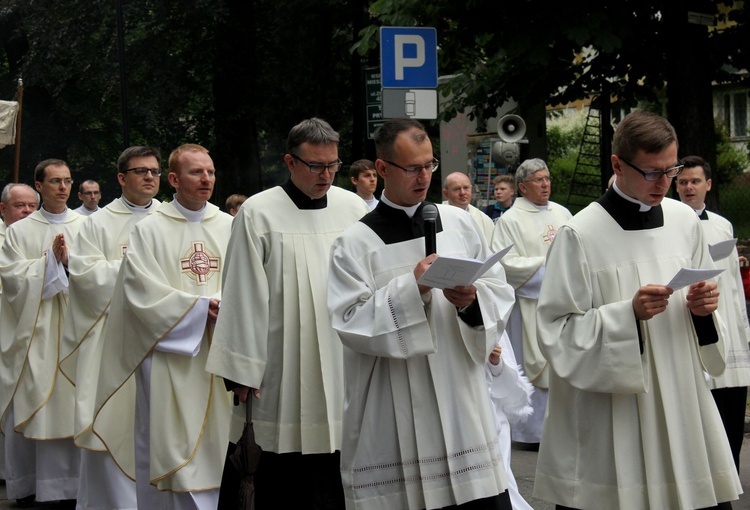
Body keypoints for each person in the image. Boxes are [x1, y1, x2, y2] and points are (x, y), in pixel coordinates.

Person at [534, 110, 741, 509]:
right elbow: (555, 332)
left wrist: (702, 309)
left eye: (672, 170)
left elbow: (700, 298)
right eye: (651, 172)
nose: (665, 183)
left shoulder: (684, 221)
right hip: (616, 409)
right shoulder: (580, 234)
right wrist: (626, 315)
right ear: (617, 164)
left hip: (681, 394)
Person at [327, 118, 516, 509]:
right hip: (394, 406)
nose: (424, 176)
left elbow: (497, 287)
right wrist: (414, 290)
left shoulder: (461, 224)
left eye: (429, 165)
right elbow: (349, 322)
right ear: (382, 169)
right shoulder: (355, 243)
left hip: (461, 400)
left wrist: (471, 304)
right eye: (412, 168)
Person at [206, 118, 369, 509]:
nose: (326, 175)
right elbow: (243, 293)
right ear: (290, 161)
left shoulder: (354, 208)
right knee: (283, 465)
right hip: (282, 363)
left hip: (344, 355)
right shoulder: (258, 213)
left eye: (332, 165)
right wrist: (241, 370)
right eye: (315, 165)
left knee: (346, 453)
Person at [93, 144, 233, 509]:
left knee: (223, 444)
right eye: (196, 173)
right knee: (168, 441)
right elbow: (140, 292)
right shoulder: (149, 230)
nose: (207, 179)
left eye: (211, 172)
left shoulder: (231, 225)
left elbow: (249, 280)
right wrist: (199, 308)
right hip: (169, 354)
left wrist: (227, 308)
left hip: (221, 350)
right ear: (174, 179)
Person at [60, 146, 162, 510]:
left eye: (154, 171)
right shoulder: (97, 224)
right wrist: (139, 277)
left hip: (164, 339)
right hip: (113, 341)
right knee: (112, 421)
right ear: (121, 178)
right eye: (140, 171)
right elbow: (85, 277)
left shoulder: (171, 218)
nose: (150, 177)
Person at [0, 159, 86, 507]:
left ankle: (78, 487)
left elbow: (102, 275)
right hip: (34, 336)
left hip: (78, 332)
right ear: (39, 186)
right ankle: (33, 486)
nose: (63, 187)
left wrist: (68, 264)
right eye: (55, 181)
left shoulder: (88, 225)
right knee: (36, 403)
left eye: (67, 181)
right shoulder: (19, 231)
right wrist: (49, 262)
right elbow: (11, 280)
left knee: (77, 407)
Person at [489, 158, 572, 448]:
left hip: (564, 306)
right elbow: (506, 264)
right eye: (538, 180)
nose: (545, 184)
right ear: (523, 187)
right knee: (535, 365)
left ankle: (564, 428)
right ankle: (532, 434)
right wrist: (551, 269)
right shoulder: (510, 220)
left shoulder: (562, 213)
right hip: (530, 308)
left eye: (547, 178)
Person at [675, 154, 750, 472]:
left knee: (731, 404)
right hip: (691, 323)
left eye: (694, 181)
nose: (689, 187)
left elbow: (732, 284)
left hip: (729, 327)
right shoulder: (671, 222)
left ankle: (730, 471)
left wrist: (743, 332)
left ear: (708, 184)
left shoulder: (722, 225)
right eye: (682, 182)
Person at [0, 183, 39, 482]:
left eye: (31, 206)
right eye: (19, 206)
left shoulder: (38, 235)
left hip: (26, 328)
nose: (27, 212)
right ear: (3, 209)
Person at [485, 337, 534, 510]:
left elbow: (501, 372)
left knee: (500, 478)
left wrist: (496, 362)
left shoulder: (483, 313)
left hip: (489, 411)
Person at [442, 171, 494, 241]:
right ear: (446, 194)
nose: (462, 193)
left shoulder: (484, 219)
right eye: (457, 189)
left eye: (466, 188)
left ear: (471, 189)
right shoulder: (438, 218)